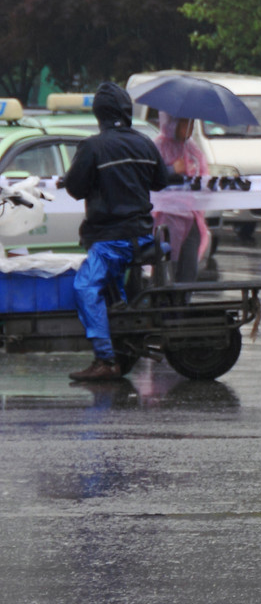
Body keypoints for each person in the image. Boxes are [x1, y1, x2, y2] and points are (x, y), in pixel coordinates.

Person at [59, 84, 171, 382]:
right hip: (143, 236)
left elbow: (75, 188)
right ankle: (120, 338)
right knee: (112, 288)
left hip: (111, 240)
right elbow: (161, 181)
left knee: (85, 287)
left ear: (100, 115)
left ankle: (105, 359)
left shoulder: (93, 147)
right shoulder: (146, 143)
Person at [150, 113, 211, 282]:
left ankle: (184, 304)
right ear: (172, 123)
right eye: (185, 123)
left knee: (189, 268)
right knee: (168, 266)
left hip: (191, 217)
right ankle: (166, 305)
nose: (189, 128)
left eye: (192, 123)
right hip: (167, 218)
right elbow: (149, 178)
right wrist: (171, 170)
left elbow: (204, 174)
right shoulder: (158, 147)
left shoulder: (191, 148)